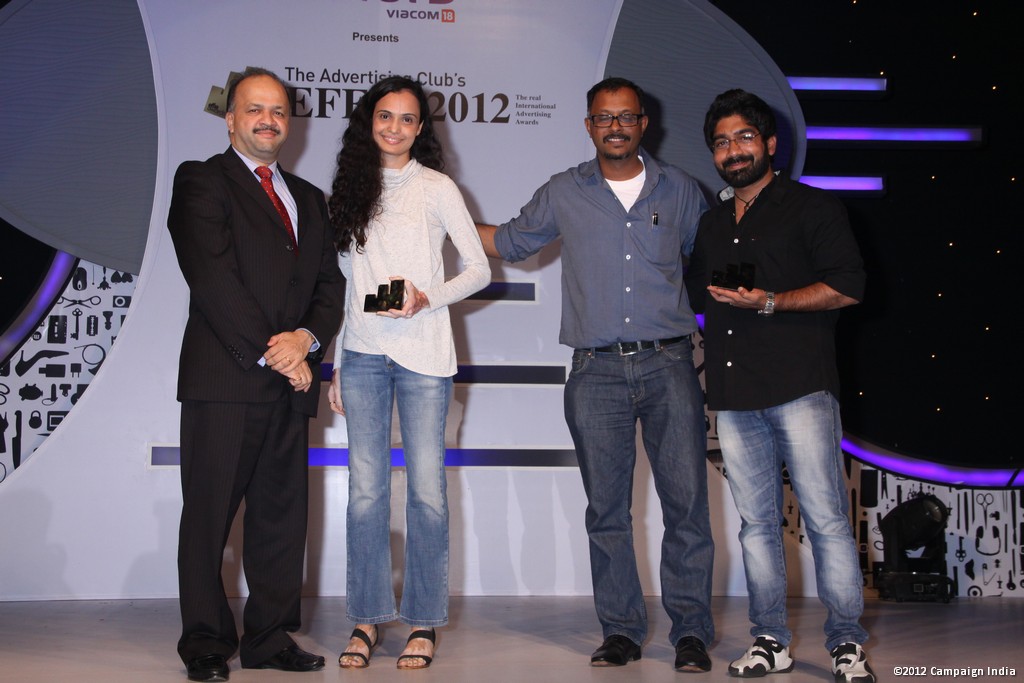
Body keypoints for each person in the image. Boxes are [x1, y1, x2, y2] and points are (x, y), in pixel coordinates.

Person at [477, 77, 714, 673]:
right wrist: (437, 215)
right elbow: (508, 242)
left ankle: (690, 632)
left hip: (670, 364)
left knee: (686, 506)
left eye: (626, 117)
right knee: (607, 512)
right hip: (595, 371)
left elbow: (714, 259)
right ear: (589, 125)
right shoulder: (565, 191)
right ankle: (622, 631)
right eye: (604, 118)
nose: (615, 126)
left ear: (643, 124)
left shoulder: (681, 190)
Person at [685, 89, 873, 683]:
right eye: (722, 142)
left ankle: (847, 643)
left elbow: (847, 286)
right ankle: (770, 640)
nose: (733, 150)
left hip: (801, 388)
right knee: (756, 527)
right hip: (735, 395)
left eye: (744, 137)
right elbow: (693, 294)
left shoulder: (813, 207)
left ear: (769, 143)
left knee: (826, 521)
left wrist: (771, 301)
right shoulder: (712, 223)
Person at [167, 67, 343, 682]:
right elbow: (213, 279)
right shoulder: (201, 180)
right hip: (227, 381)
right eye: (254, 109)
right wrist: (280, 353)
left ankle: (269, 639)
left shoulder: (310, 198)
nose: (268, 120)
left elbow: (330, 285)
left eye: (278, 111)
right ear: (231, 120)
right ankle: (206, 643)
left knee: (280, 522)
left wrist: (307, 341)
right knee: (208, 518)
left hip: (290, 387)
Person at [326, 76, 490, 670]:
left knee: (426, 493)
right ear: (369, 121)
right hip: (363, 355)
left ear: (421, 128)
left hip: (425, 357)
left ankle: (423, 621)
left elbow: (478, 269)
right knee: (365, 493)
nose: (394, 127)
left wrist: (426, 298)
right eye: (385, 116)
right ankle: (366, 618)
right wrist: (339, 364)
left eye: (406, 118)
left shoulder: (437, 187)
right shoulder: (349, 188)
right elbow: (348, 287)